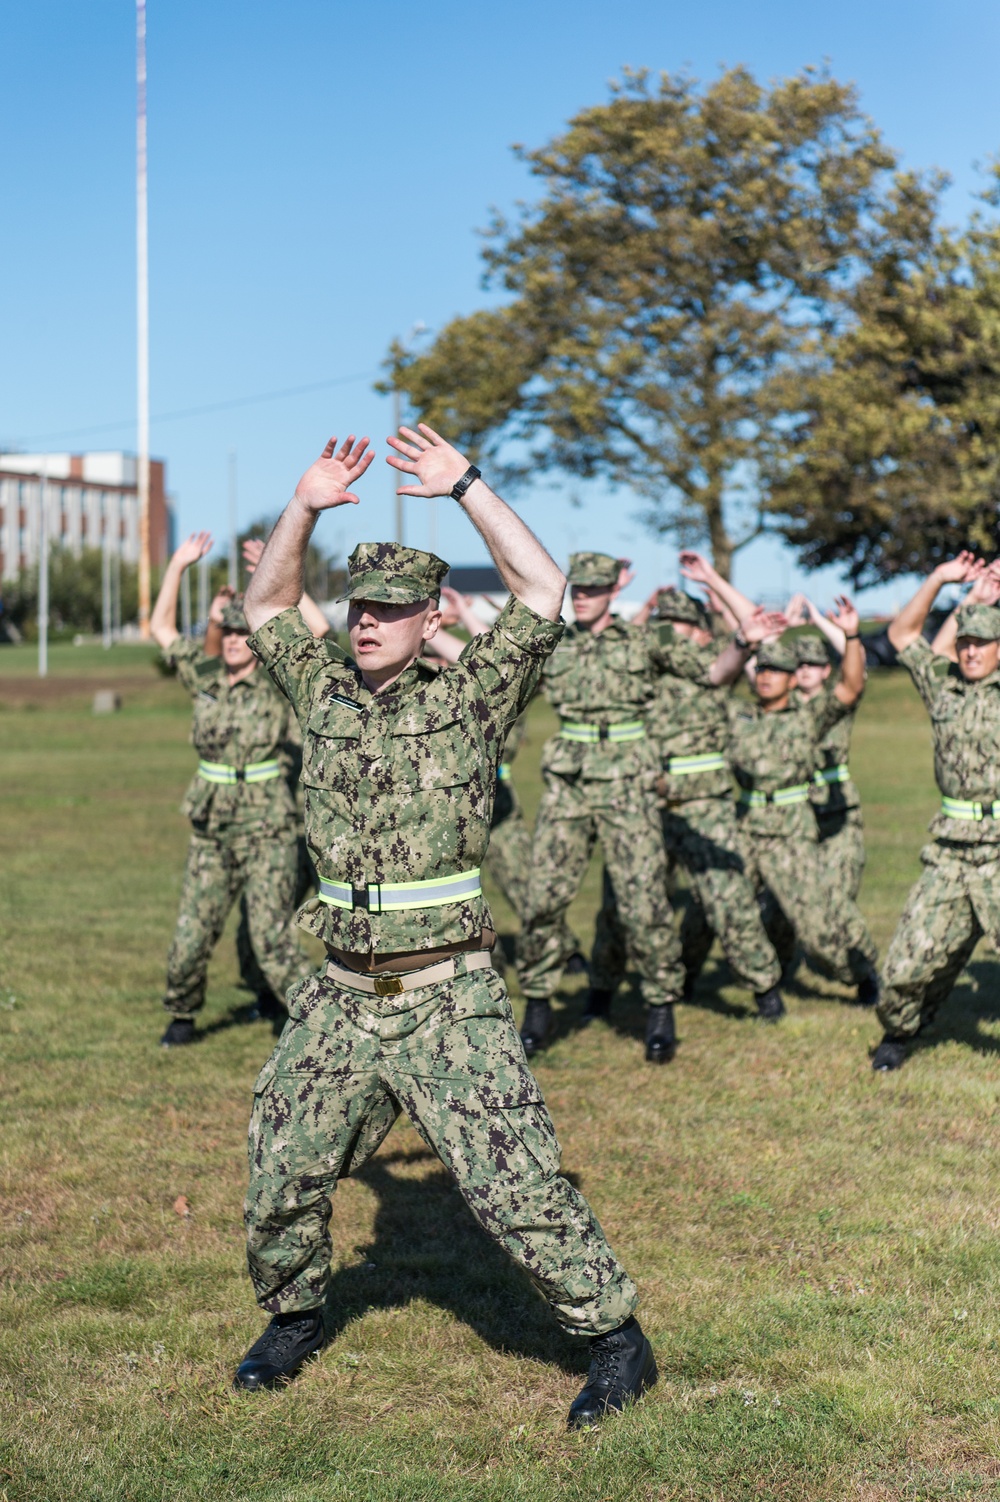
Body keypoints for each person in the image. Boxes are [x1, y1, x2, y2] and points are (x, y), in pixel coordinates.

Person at [235, 424, 657, 1429]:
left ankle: (614, 1339)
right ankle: (294, 1315)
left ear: (431, 618)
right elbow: (263, 605)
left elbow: (544, 593)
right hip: (338, 989)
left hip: (446, 995)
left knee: (514, 1185)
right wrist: (301, 505)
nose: (368, 620)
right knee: (281, 1163)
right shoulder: (321, 688)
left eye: (390, 608)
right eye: (358, 605)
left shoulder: (473, 697)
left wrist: (468, 485)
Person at [514, 551, 784, 1063]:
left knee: (644, 902)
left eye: (597, 587)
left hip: (628, 782)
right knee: (543, 896)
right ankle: (538, 1004)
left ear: (615, 590)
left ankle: (660, 1006)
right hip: (569, 779)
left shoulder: (646, 639)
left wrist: (745, 640)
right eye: (581, 587)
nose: (586, 595)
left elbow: (712, 672)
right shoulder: (555, 643)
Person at [590, 572, 786, 1024]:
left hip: (704, 803)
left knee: (729, 900)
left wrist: (710, 579)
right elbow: (617, 636)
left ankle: (765, 991)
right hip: (642, 801)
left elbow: (748, 629)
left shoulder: (716, 662)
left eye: (681, 622)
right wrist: (633, 603)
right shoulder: (641, 669)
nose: (670, 629)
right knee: (621, 901)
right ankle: (600, 990)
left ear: (701, 630)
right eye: (664, 620)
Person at [150, 535, 314, 1047]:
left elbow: (318, 629)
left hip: (269, 826)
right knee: (191, 936)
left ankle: (312, 1023)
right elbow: (160, 628)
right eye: (228, 632)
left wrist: (278, 563)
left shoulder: (277, 683)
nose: (235, 640)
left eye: (246, 633)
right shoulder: (204, 677)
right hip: (213, 826)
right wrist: (177, 564)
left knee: (272, 938)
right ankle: (182, 1014)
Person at [699, 613, 880, 1009]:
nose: (766, 676)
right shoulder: (736, 714)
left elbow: (851, 686)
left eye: (777, 671)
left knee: (818, 930)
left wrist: (851, 634)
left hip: (790, 830)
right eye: (762, 669)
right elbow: (708, 686)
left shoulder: (807, 716)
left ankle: (863, 973)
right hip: (744, 825)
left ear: (793, 678)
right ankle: (732, 986)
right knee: (713, 903)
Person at [871, 554, 1000, 1071]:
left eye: (982, 643)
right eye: (964, 642)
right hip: (948, 848)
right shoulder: (942, 686)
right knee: (905, 968)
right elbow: (903, 636)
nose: (970, 652)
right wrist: (942, 581)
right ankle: (901, 1031)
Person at [784, 600, 867, 901]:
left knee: (836, 897)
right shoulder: (781, 705)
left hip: (835, 808)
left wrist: (820, 620)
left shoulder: (838, 700)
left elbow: (855, 659)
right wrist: (782, 627)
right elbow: (757, 662)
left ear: (826, 669)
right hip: (792, 810)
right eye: (799, 664)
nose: (805, 670)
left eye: (813, 664)